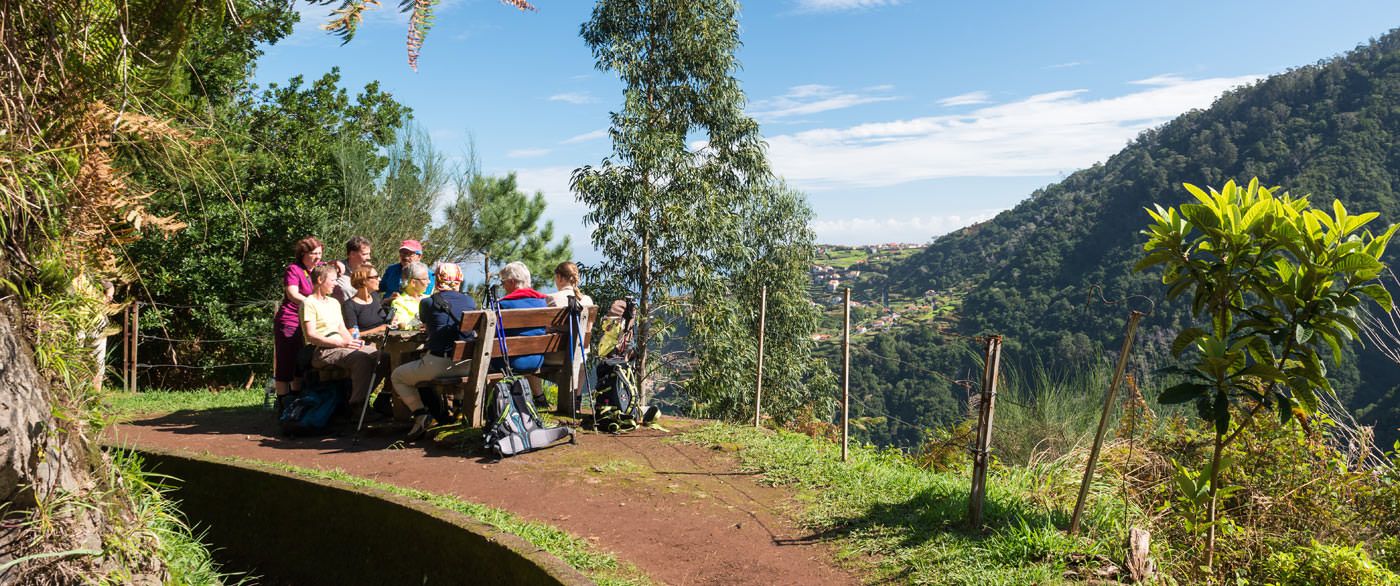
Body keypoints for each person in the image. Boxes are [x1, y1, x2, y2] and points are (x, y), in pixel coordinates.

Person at [389, 262, 478, 440]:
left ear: (437, 279)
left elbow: (427, 322)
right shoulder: (470, 301)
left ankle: (421, 414)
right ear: (459, 279)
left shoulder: (428, 302)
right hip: (469, 365)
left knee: (397, 376)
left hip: (440, 364)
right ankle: (459, 407)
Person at [301, 263, 380, 408]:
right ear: (320, 280)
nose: (336, 284)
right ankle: (357, 406)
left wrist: (353, 342)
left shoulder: (334, 302)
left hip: (341, 345)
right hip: (322, 350)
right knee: (361, 359)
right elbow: (311, 335)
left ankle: (363, 396)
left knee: (382, 356)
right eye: (332, 280)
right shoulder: (309, 303)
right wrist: (342, 344)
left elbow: (342, 328)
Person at [273, 236, 321, 409]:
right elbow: (293, 294)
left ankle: (297, 399)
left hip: (309, 321)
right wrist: (313, 304)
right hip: (290, 320)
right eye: (313, 253)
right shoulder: (293, 270)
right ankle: (282, 401)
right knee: (287, 361)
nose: (317, 257)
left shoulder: (319, 269)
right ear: (302, 254)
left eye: (319, 253)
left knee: (302, 362)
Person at [388, 261, 430, 329]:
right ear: (413, 282)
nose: (429, 282)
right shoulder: (399, 302)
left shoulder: (430, 298)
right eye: (425, 279)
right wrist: (419, 324)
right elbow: (402, 325)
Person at [332, 236, 372, 303]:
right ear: (352, 254)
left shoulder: (369, 269)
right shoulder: (337, 268)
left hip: (363, 311)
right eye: (365, 254)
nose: (369, 258)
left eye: (369, 254)